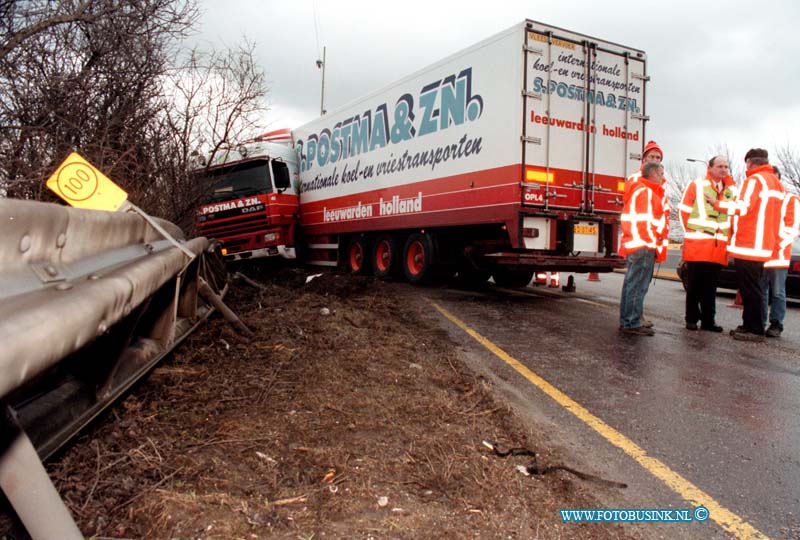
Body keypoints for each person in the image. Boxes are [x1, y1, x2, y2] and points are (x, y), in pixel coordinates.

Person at [727, 148, 784, 342]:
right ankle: (751, 324)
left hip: (749, 244)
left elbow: (742, 207)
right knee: (756, 288)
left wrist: (718, 204)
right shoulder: (776, 183)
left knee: (750, 289)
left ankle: (754, 328)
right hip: (763, 245)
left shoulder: (754, 180)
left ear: (750, 163)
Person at [678, 156, 736, 332]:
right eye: (719, 166)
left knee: (711, 287)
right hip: (698, 245)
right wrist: (691, 234)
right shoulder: (696, 185)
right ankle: (691, 319)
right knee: (694, 284)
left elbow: (732, 218)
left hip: (718, 248)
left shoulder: (731, 190)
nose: (723, 169)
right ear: (710, 168)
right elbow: (684, 211)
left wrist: (729, 241)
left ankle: (708, 321)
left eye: (726, 166)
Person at [618, 161, 668, 336]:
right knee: (638, 285)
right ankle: (631, 322)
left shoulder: (640, 190)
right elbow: (644, 222)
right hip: (643, 245)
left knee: (632, 284)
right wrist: (651, 243)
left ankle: (628, 320)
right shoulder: (647, 192)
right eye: (661, 174)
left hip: (636, 244)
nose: (663, 177)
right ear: (653, 174)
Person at [763, 166, 800, 337]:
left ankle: (776, 324)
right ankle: (758, 321)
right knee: (761, 290)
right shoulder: (764, 198)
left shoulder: (790, 199)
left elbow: (793, 228)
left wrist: (776, 245)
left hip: (778, 256)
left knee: (777, 291)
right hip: (760, 254)